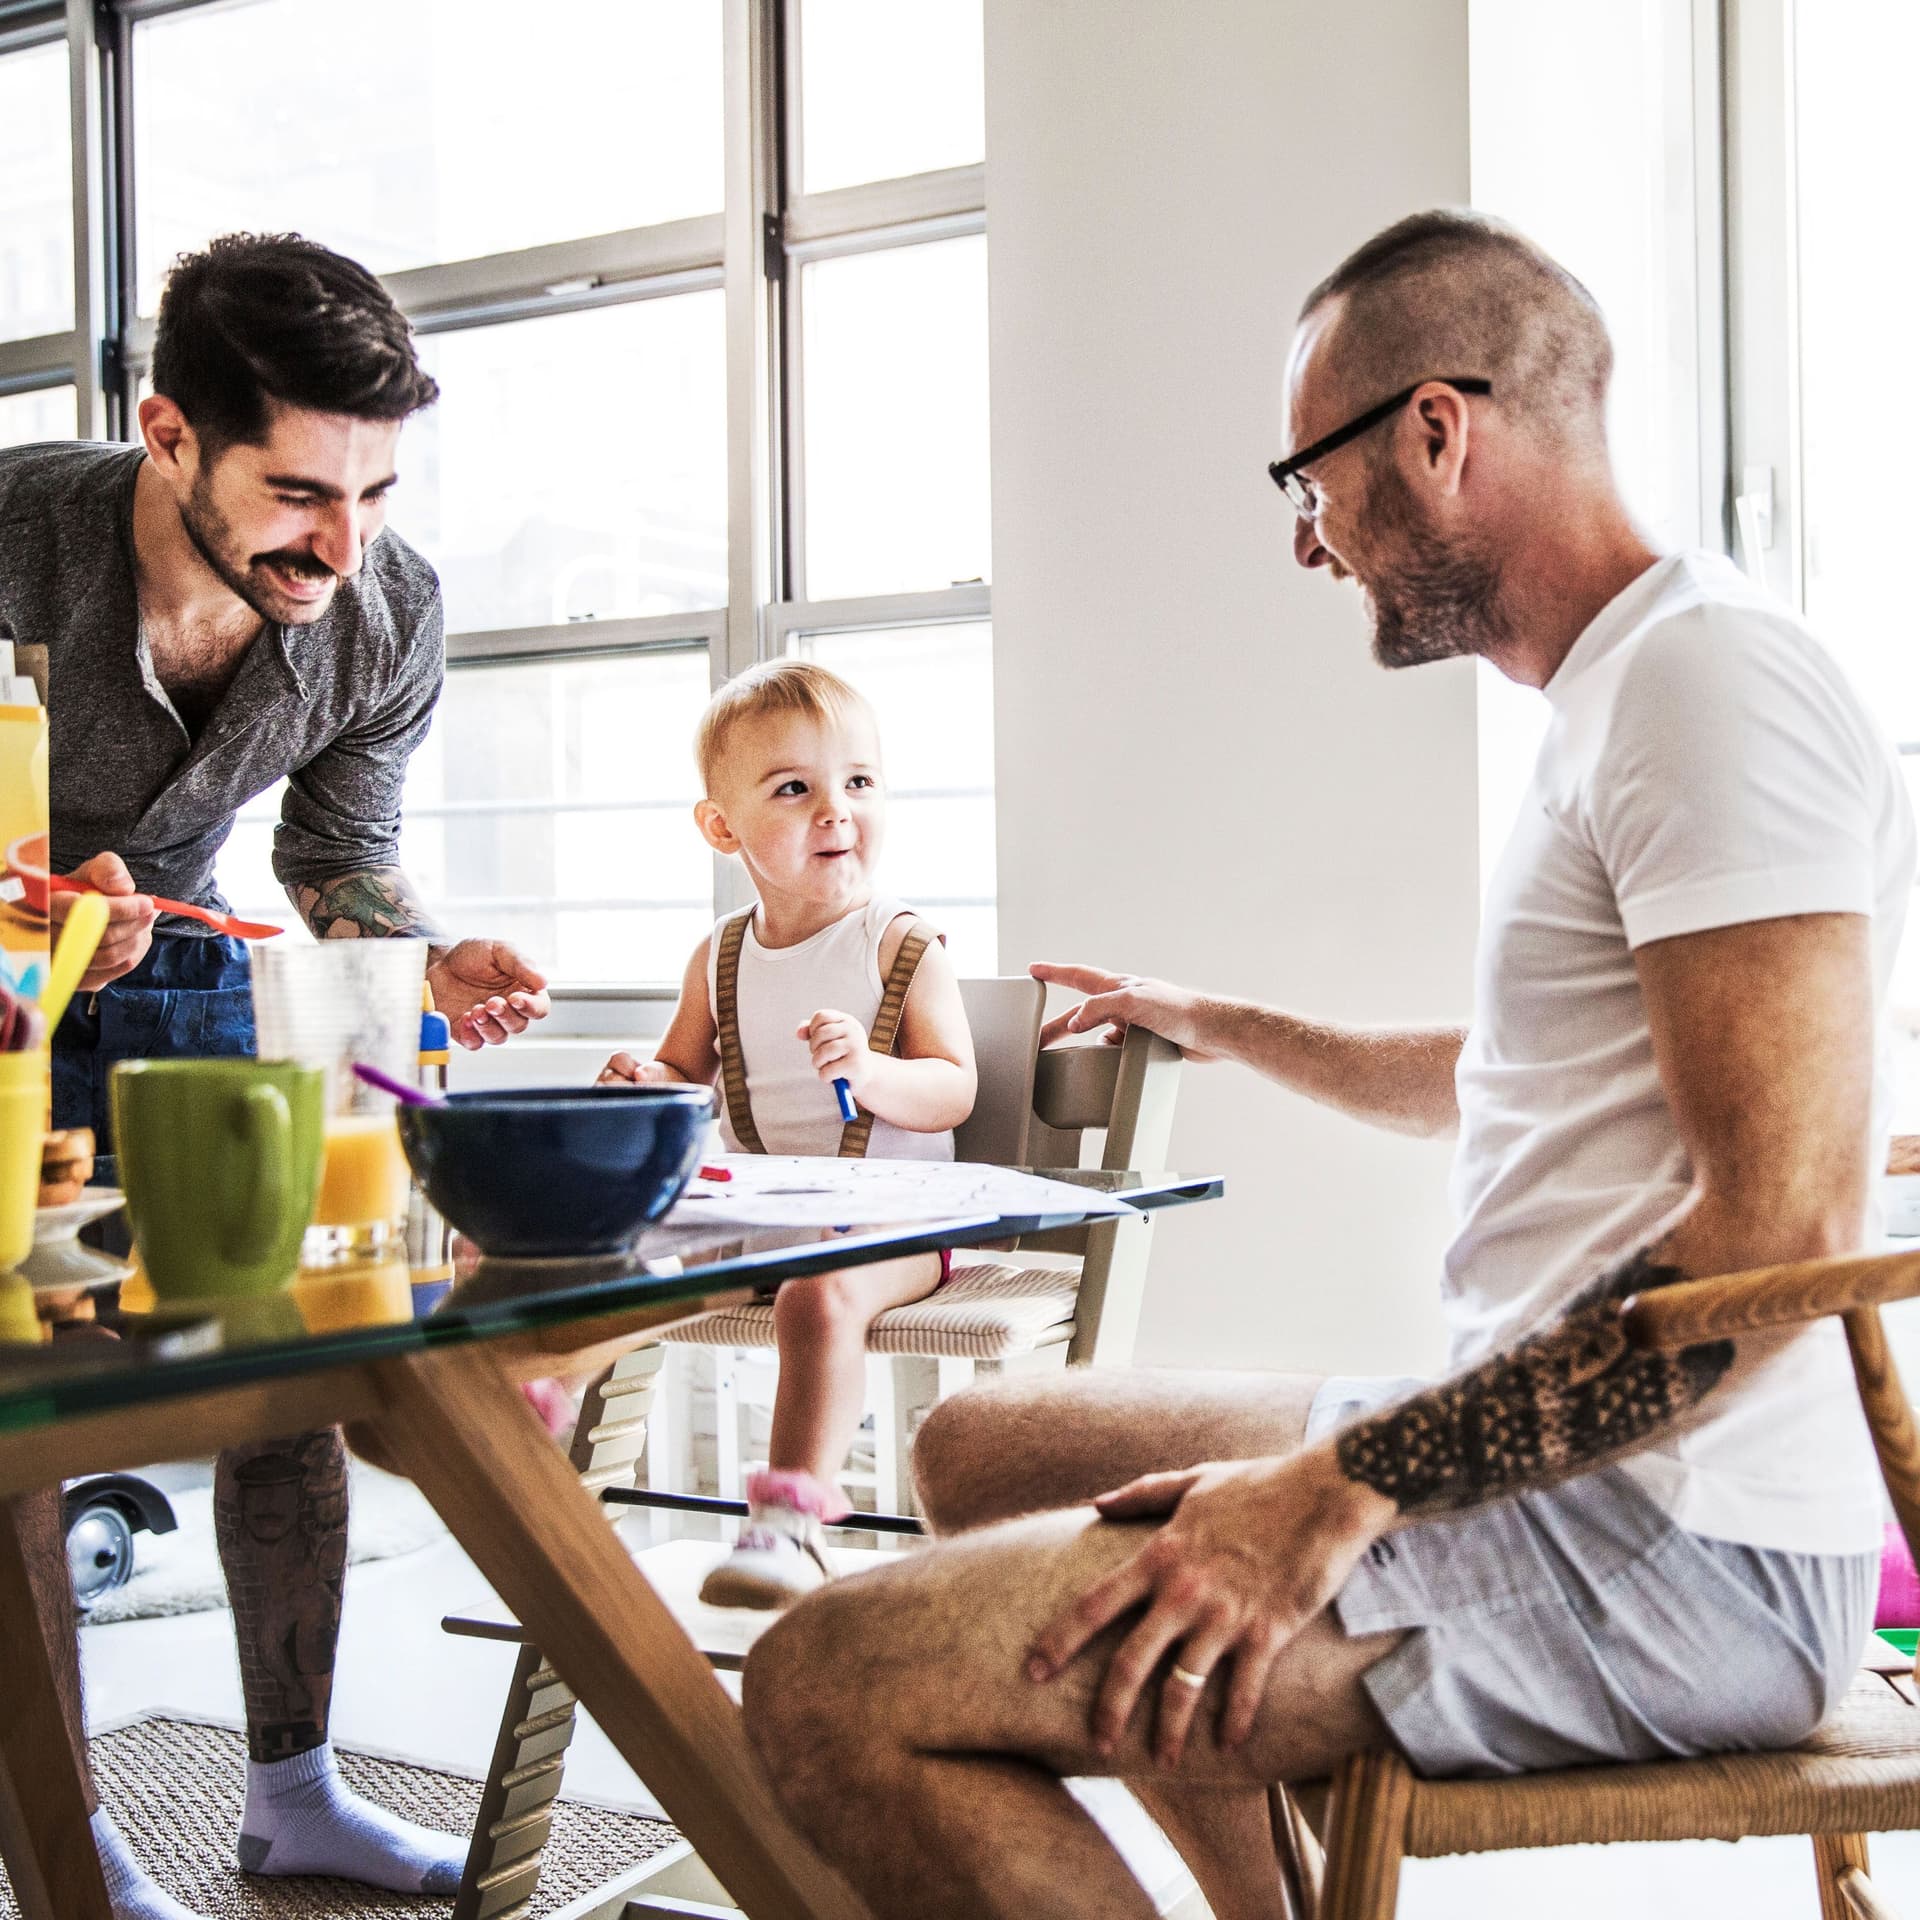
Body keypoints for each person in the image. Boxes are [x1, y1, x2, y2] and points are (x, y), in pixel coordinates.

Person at [738, 208, 1916, 1920]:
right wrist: (1219, 1021)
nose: (1311, 544)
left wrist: (1334, 1489)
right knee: (982, 1445)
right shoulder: (1624, 695)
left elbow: (1773, 1239)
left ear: (1436, 433)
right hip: (1575, 1472)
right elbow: (1523, 1074)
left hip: (1680, 1554)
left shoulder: (1707, 693)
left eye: (1312, 480)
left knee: (829, 1687)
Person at [0, 233, 553, 1918]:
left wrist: (417, 944)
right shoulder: (14, 533)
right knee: (27, 1409)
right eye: (303, 491)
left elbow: (343, 851)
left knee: (292, 1358)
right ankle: (61, 1827)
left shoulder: (387, 609)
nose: (345, 542)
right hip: (13, 1005)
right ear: (168, 436)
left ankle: (290, 1795)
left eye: (375, 491)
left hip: (191, 969)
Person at [598, 660, 975, 1607]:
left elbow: (954, 1089)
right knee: (600, 1251)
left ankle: (791, 1521)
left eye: (857, 782)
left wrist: (872, 1073)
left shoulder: (901, 944)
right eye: (794, 788)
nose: (836, 810)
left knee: (815, 1301)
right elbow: (684, 1078)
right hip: (767, 1216)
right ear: (722, 828)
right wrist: (647, 1082)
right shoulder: (719, 953)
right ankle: (526, 1418)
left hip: (899, 1229)